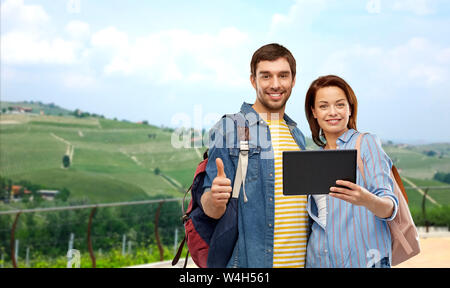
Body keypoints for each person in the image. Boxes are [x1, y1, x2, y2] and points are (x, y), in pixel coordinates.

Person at [201, 43, 308, 268]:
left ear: (293, 80)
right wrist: (215, 197)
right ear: (253, 80)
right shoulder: (231, 127)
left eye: (283, 75)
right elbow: (210, 207)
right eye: (266, 76)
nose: (276, 84)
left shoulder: (296, 134)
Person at [304, 75, 399, 268]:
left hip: (362, 261)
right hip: (318, 261)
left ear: (350, 108)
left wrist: (367, 199)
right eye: (323, 106)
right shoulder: (314, 158)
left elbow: (390, 208)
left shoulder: (366, 144)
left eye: (339, 105)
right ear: (314, 112)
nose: (332, 112)